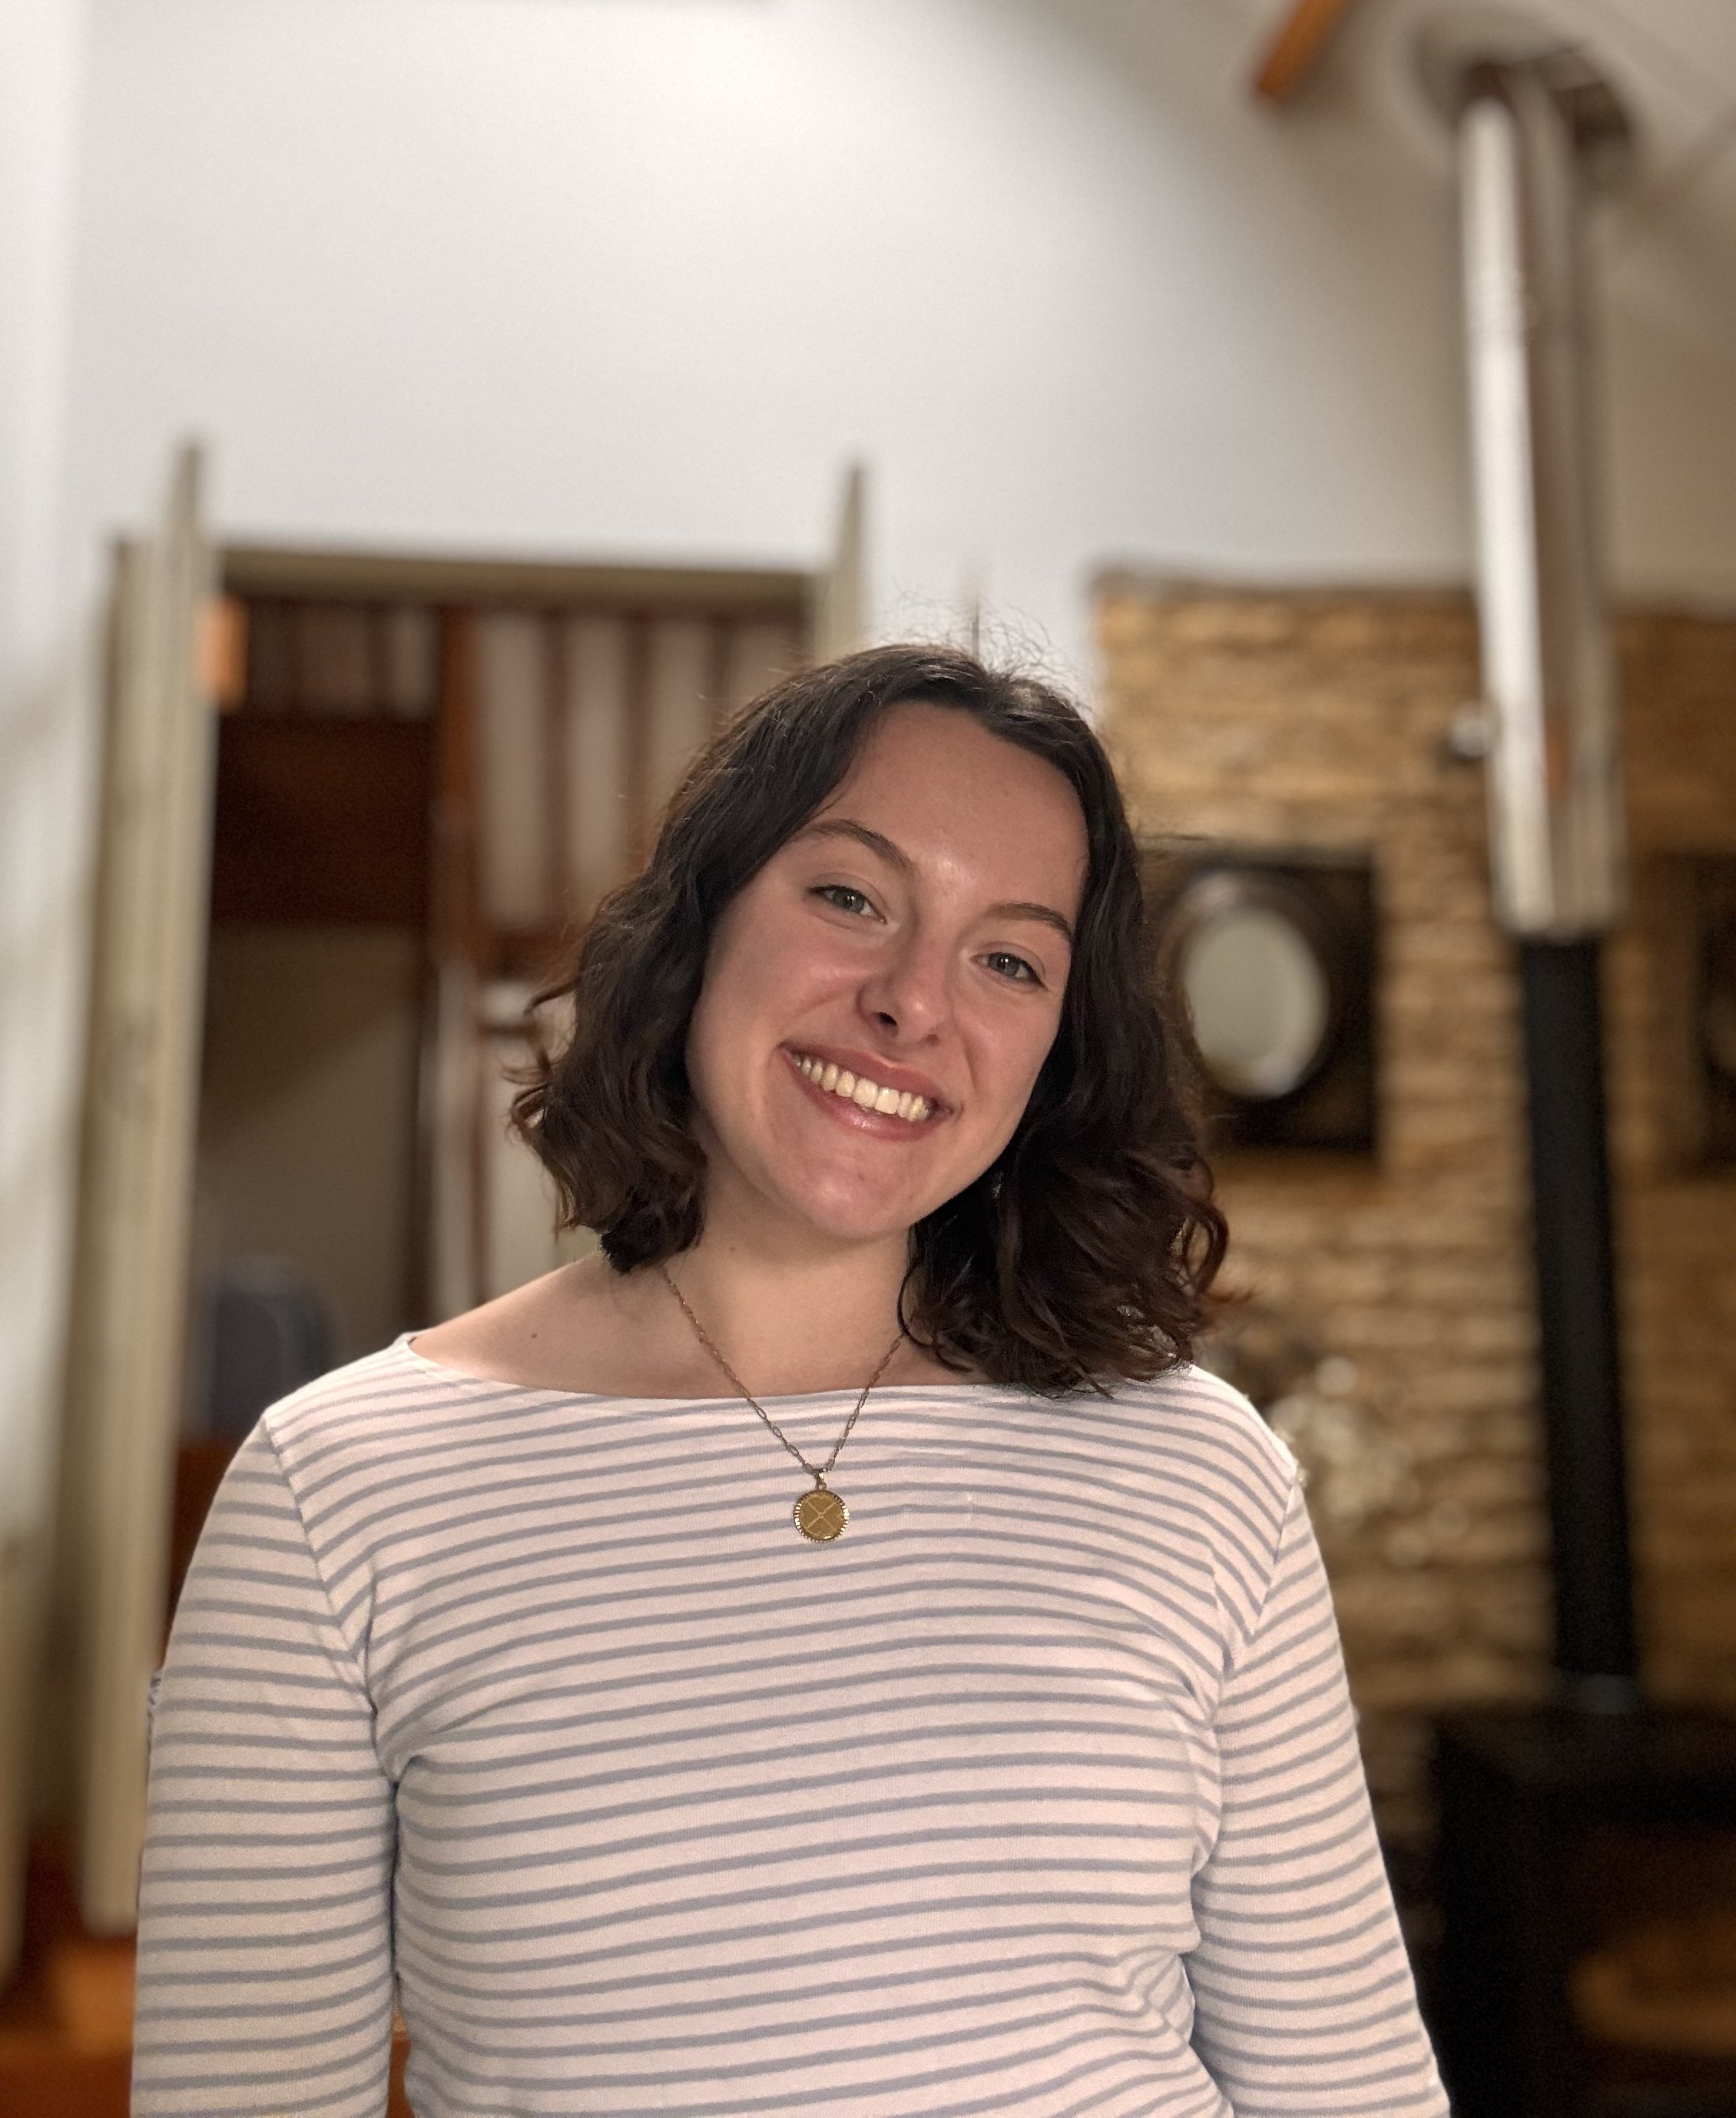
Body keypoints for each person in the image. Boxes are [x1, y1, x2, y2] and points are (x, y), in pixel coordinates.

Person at [133, 645, 1449, 2118]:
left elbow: (1347, 2087)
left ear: (1057, 1051)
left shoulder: (1202, 1472)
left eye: (1009, 957)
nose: (912, 1004)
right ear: (702, 925)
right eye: (850, 897)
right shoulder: (341, 1489)